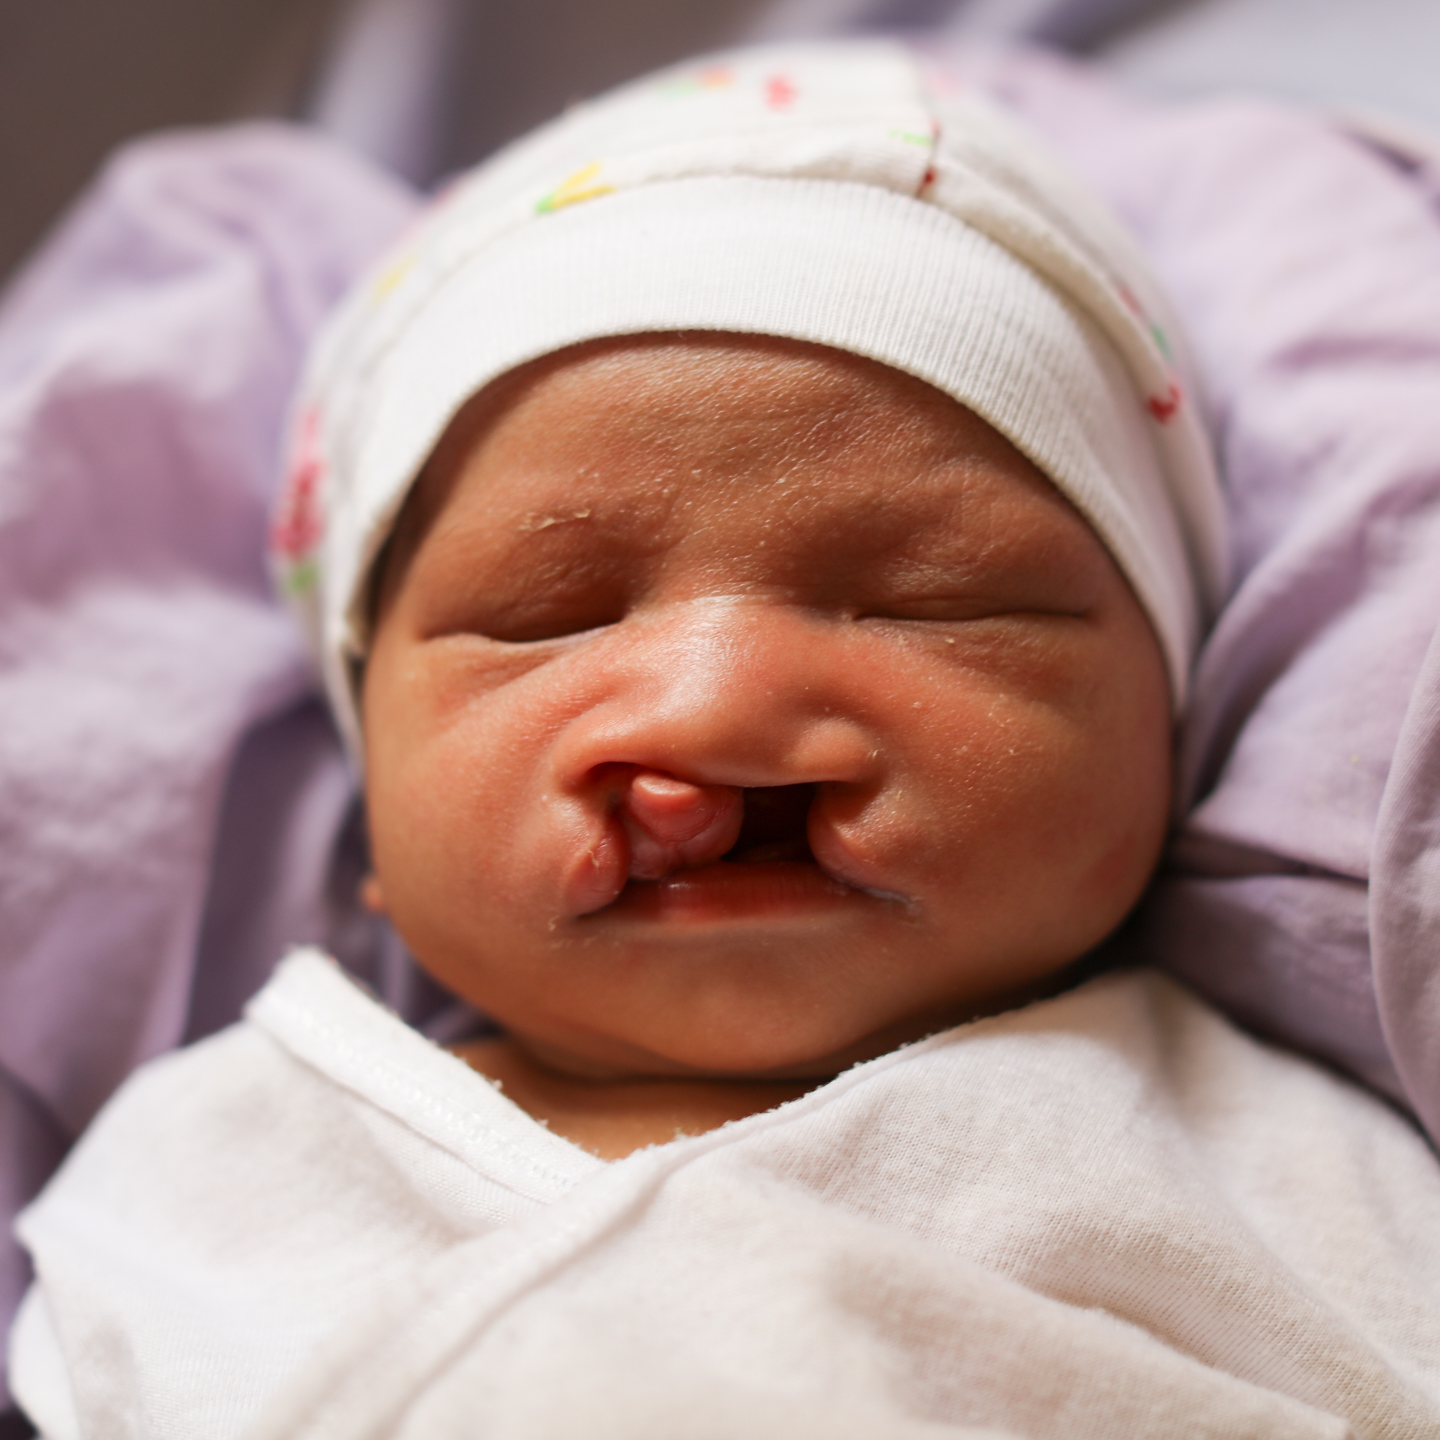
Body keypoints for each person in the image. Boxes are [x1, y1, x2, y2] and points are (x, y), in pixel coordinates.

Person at [11, 40, 1440, 1440]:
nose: (719, 704)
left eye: (936, 603)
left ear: (1165, 735)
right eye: (548, 616)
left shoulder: (1290, 1173)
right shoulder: (191, 1179)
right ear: (372, 788)